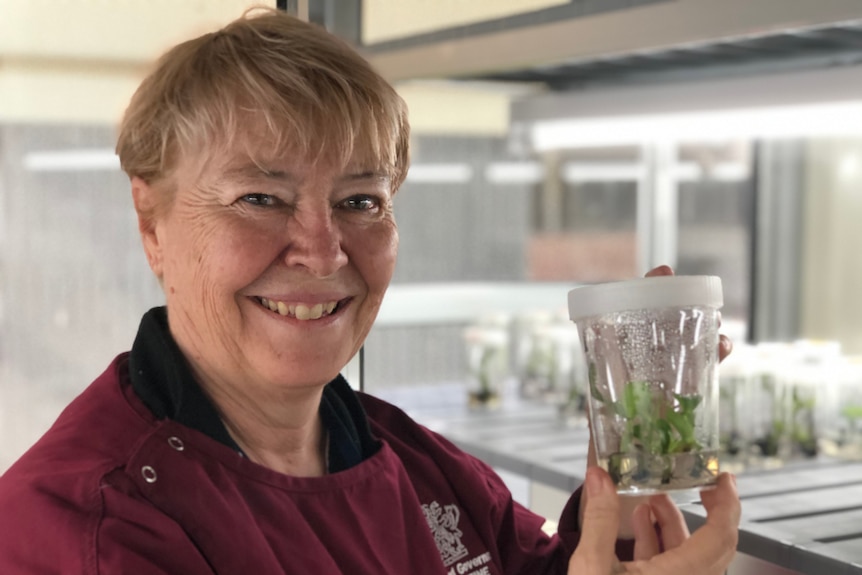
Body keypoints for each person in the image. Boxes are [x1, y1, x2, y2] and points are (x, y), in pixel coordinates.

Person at [0, 7, 739, 574]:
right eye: (260, 197)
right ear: (150, 221)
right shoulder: (87, 526)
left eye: (361, 201)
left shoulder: (417, 465)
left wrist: (622, 500)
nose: (323, 252)